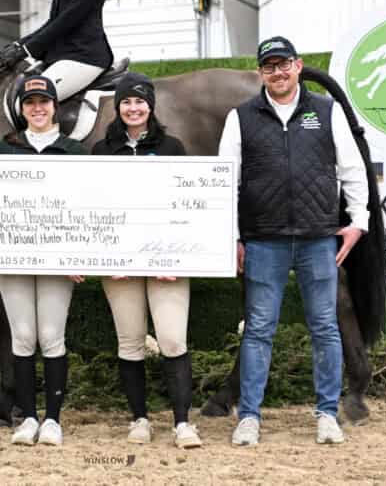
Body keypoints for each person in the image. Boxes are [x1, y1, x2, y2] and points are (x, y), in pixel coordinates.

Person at [219, 36, 368, 447]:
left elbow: (351, 168)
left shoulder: (326, 111)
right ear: (261, 72)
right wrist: (231, 236)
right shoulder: (241, 117)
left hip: (318, 237)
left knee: (324, 327)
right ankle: (248, 416)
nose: (278, 72)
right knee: (259, 330)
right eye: (269, 66)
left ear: (298, 66)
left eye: (284, 64)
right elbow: (226, 182)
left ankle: (326, 414)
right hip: (264, 240)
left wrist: (358, 221)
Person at [90, 73, 201, 448]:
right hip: (119, 266)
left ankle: (183, 423)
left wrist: (177, 258)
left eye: (139, 101)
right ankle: (139, 419)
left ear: (150, 106)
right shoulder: (102, 152)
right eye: (126, 102)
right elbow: (94, 209)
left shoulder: (172, 147)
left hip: (166, 264)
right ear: (117, 107)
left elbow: (186, 207)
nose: (133, 108)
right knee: (131, 343)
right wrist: (107, 256)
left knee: (172, 339)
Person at [0, 75, 84, 446]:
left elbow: (86, 207)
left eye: (44, 101)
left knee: (51, 335)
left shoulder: (74, 151)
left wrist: (80, 255)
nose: (38, 108)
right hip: (14, 256)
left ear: (54, 106)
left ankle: (53, 419)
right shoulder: (5, 149)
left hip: (58, 258)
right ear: (22, 109)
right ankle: (28, 417)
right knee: (24, 336)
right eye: (31, 103)